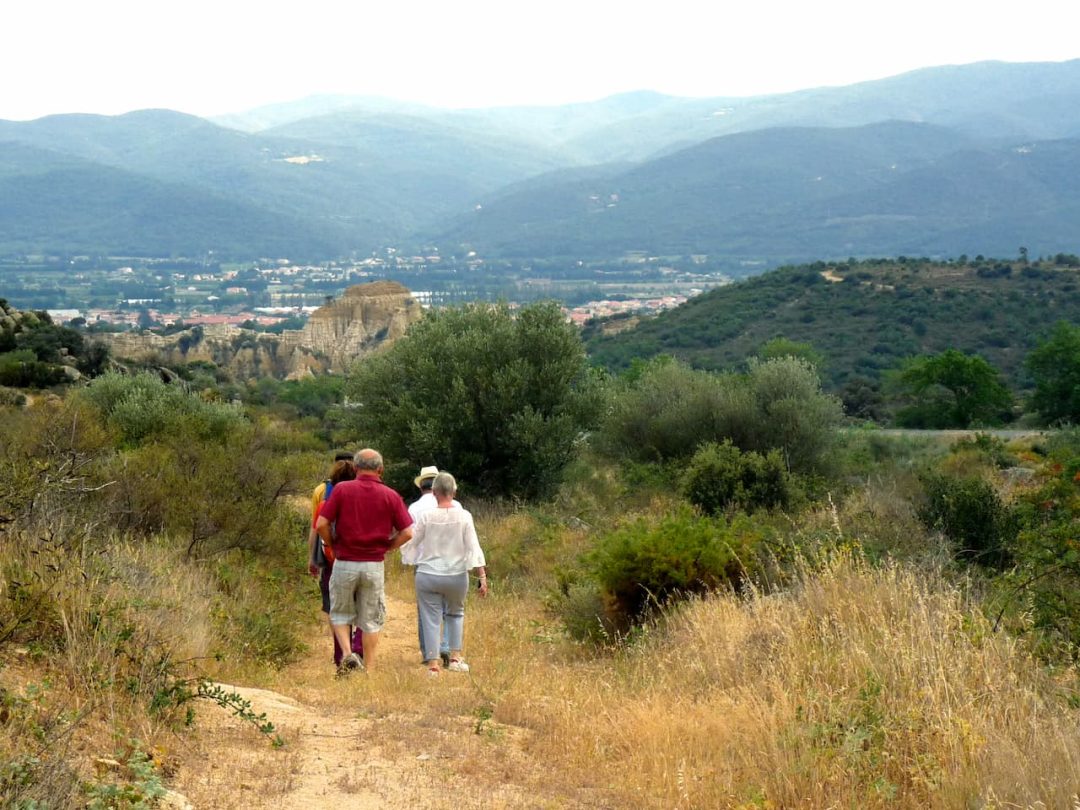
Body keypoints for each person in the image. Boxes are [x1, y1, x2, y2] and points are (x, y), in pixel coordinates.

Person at [316, 448, 413, 673]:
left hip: (345, 561)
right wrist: (387, 547)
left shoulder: (341, 490)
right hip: (373, 564)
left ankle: (348, 655)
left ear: (356, 468)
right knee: (371, 619)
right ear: (381, 469)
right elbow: (408, 532)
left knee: (339, 612)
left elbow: (321, 524)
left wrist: (333, 545)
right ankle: (369, 670)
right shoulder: (390, 495)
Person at [400, 472, 488, 676]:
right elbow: (473, 547)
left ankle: (433, 665)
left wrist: (407, 555)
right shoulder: (465, 515)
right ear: (454, 491)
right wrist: (482, 576)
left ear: (435, 492)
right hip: (456, 575)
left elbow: (412, 542)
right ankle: (455, 658)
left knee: (430, 618)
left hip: (428, 574)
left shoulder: (426, 516)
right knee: (456, 613)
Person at [306, 452, 362, 668]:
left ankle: (342, 650)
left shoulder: (321, 491)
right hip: (359, 557)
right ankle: (356, 649)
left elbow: (316, 526)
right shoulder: (361, 494)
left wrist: (313, 557)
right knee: (361, 605)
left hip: (331, 559)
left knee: (334, 607)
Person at [407, 465, 459, 667]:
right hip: (450, 563)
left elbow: (411, 539)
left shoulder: (414, 508)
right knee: (449, 609)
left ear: (422, 486)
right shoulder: (457, 506)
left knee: (426, 611)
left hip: (424, 565)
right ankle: (445, 646)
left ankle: (429, 653)